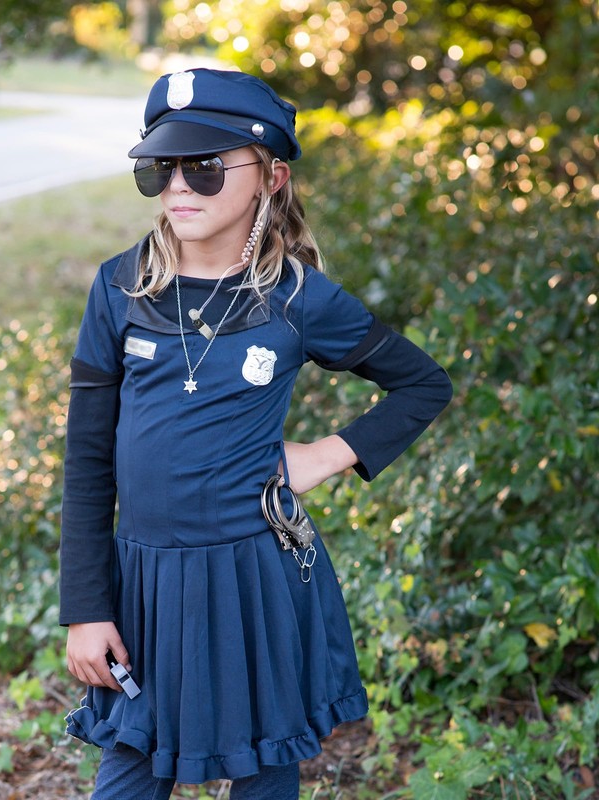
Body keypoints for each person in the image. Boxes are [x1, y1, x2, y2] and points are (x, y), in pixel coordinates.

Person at [60, 68, 453, 800]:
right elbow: (86, 460)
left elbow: (423, 384)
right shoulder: (120, 289)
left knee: (265, 765)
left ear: (270, 177)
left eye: (206, 167)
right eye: (161, 168)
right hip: (145, 588)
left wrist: (326, 455)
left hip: (254, 582)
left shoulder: (297, 298)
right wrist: (87, 607)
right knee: (130, 770)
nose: (180, 186)